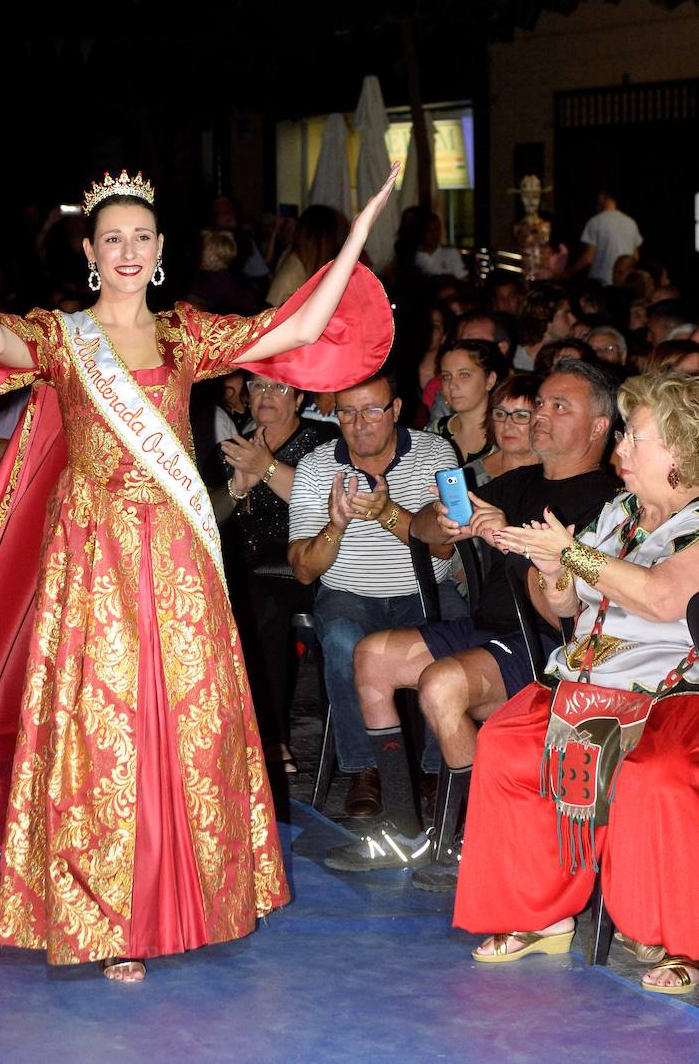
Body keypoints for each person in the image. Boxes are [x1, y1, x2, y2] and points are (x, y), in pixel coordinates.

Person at [0, 165, 397, 983]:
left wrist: (356, 236)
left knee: (185, 722)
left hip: (178, 559)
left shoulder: (184, 337)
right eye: (114, 238)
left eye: (142, 237)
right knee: (107, 730)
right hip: (95, 557)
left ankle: (188, 896)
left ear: (162, 249)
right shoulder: (62, 338)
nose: (128, 250)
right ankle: (110, 913)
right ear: (90, 251)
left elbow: (289, 331)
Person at [457, 371, 699, 995]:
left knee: (656, 776)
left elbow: (664, 596)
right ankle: (542, 916)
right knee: (508, 741)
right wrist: (550, 570)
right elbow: (565, 611)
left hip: (670, 693)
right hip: (589, 681)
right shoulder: (617, 513)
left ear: (680, 447)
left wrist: (573, 557)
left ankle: (679, 939)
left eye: (635, 437)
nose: (619, 448)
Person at [336, 361, 619, 882]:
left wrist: (509, 534)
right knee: (372, 656)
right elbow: (425, 528)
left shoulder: (609, 501)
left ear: (600, 425)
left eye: (561, 407)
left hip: (551, 647)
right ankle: (404, 831)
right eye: (541, 405)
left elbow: (574, 611)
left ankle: (472, 841)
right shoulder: (517, 482)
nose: (541, 417)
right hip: (487, 631)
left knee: (442, 685)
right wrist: (441, 519)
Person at [287, 369, 466, 825]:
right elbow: (304, 569)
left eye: (371, 410)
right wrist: (336, 525)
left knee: (452, 634)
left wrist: (387, 512)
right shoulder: (315, 466)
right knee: (344, 639)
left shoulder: (435, 452)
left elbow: (445, 544)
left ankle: (433, 769)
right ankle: (365, 768)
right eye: (347, 412)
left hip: (423, 589)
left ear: (396, 410)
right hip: (350, 593)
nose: (359, 423)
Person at [214, 376, 335, 773]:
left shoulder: (323, 440)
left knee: (261, 606)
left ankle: (272, 737)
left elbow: (324, 502)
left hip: (308, 566)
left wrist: (265, 468)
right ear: (246, 396)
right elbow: (206, 515)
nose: (267, 396)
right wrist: (236, 485)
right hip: (246, 570)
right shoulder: (231, 448)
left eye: (280, 388)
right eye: (258, 386)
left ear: (300, 398)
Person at [435, 339, 507, 465]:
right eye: (446, 377)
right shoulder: (436, 430)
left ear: (490, 380)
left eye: (464, 375)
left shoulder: (506, 434)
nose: (452, 385)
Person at [464, 373, 541, 489]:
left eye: (520, 415)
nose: (507, 425)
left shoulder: (562, 474)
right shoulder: (470, 478)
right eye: (500, 414)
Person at [572, 187, 643, 285]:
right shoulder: (631, 223)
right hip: (624, 283)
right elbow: (635, 257)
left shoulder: (595, 221)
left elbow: (588, 257)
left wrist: (568, 273)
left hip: (600, 282)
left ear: (601, 197)